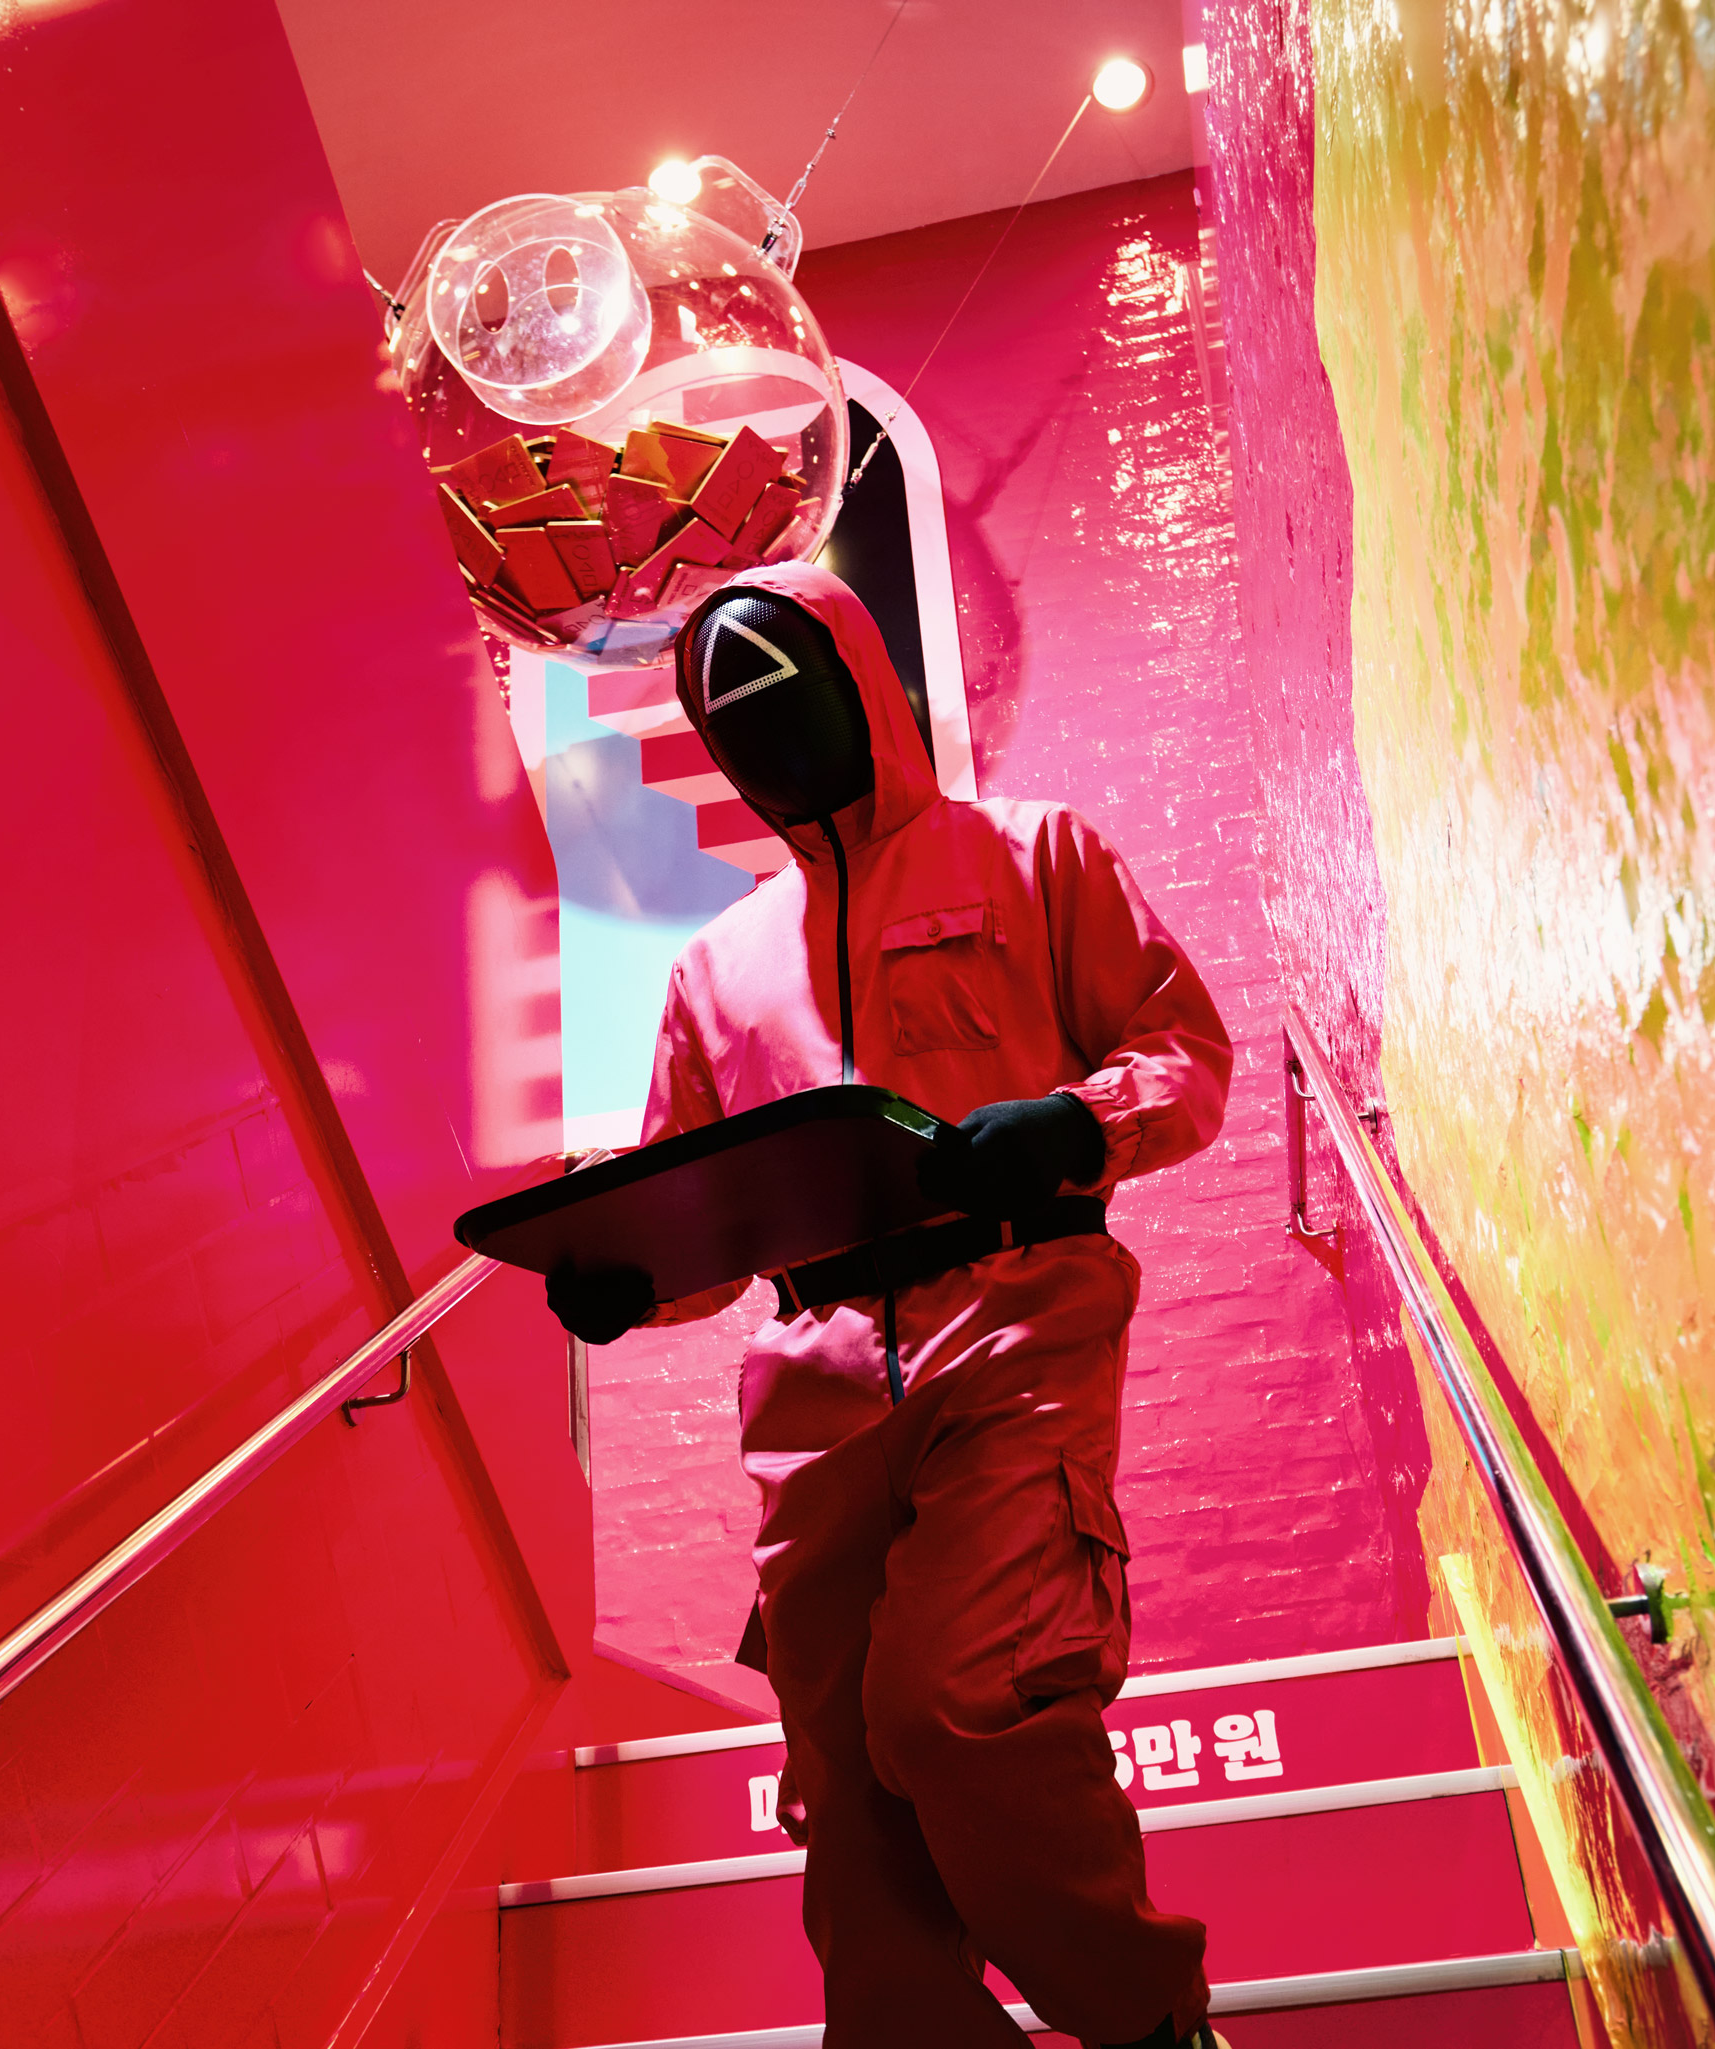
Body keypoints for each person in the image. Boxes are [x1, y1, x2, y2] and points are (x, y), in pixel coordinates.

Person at [545, 563, 1233, 2048]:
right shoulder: (713, 969)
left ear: (861, 681)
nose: (762, 734)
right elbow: (703, 1227)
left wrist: (1080, 1120)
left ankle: (1149, 2026)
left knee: (956, 1698)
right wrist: (626, 1282)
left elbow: (1186, 1055)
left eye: (781, 692)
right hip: (812, 1397)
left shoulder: (1035, 854)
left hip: (1017, 1327)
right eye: (730, 717)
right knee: (849, 1804)